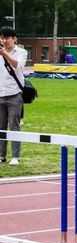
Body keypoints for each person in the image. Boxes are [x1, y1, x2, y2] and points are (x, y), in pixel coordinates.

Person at [0, 26, 28, 165]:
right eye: (2, 38)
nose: (4, 41)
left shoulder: (21, 52)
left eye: (7, 38)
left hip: (14, 94)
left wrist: (4, 54)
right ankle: (1, 156)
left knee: (14, 126)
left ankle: (15, 156)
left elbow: (18, 66)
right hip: (0, 94)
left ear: (14, 39)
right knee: (0, 127)